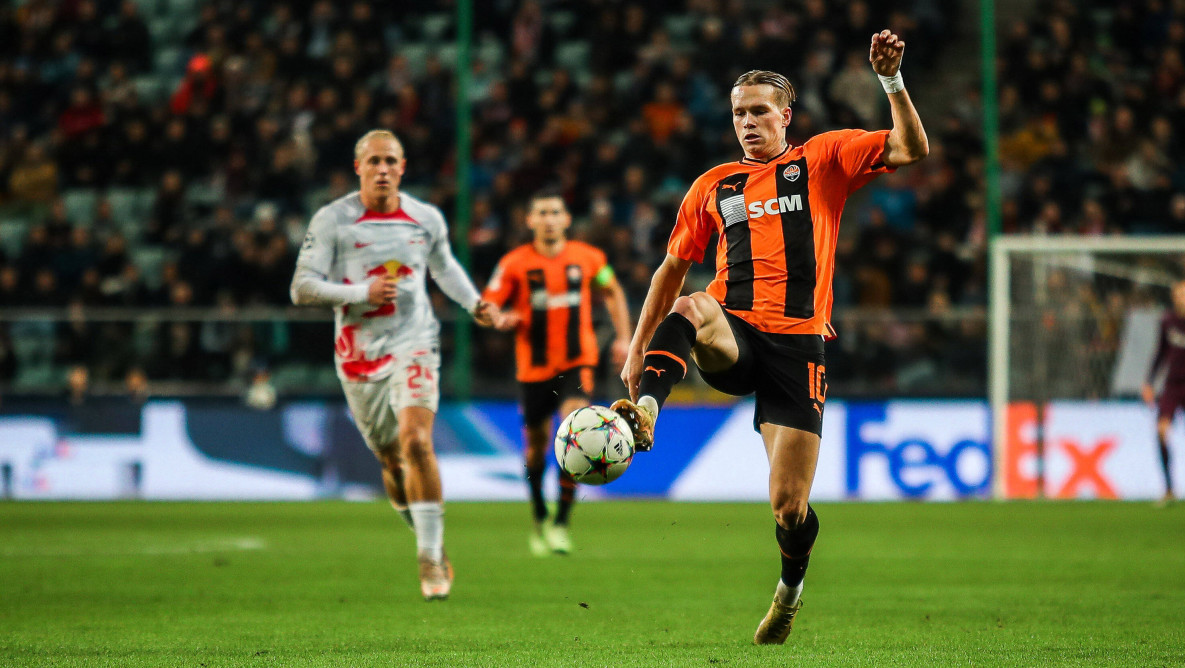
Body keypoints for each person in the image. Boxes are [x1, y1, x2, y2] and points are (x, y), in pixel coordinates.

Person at [610, 30, 928, 644]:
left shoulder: (825, 159)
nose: (748, 122)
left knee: (789, 507)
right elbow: (672, 267)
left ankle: (788, 593)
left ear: (787, 116)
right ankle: (647, 411)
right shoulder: (714, 185)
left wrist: (891, 82)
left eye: (760, 111)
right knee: (694, 303)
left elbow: (912, 148)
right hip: (734, 332)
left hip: (799, 346)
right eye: (738, 113)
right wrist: (635, 350)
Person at [290, 129, 499, 601]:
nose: (382, 169)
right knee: (391, 462)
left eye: (391, 161)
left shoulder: (425, 218)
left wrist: (473, 303)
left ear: (402, 168)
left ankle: (429, 556)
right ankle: (427, 534)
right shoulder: (333, 220)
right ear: (357, 168)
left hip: (414, 342)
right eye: (374, 161)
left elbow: (443, 266)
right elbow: (301, 288)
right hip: (359, 355)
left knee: (416, 441)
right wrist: (359, 293)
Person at [481, 188, 632, 556]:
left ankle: (562, 523)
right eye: (542, 212)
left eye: (555, 212)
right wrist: (498, 317)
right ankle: (538, 517)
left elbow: (612, 289)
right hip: (533, 368)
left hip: (577, 361)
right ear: (530, 220)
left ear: (566, 219)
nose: (549, 219)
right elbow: (485, 304)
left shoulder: (589, 258)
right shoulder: (515, 263)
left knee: (575, 432)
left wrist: (624, 337)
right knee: (535, 450)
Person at [1141, 278, 1185, 508]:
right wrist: (1149, 382)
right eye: (1178, 295)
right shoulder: (1168, 322)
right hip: (1173, 386)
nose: (1181, 299)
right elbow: (1161, 353)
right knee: (1161, 431)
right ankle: (1168, 489)